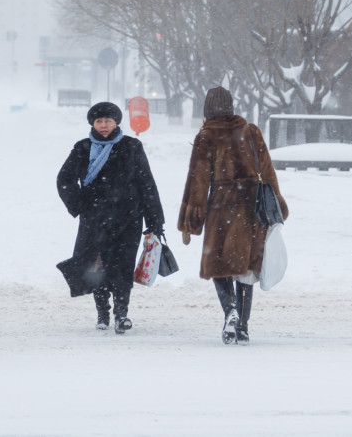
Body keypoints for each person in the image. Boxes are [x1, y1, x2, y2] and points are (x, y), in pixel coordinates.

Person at [178, 87, 288, 344]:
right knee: (246, 268)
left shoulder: (206, 136)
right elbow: (268, 173)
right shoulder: (251, 131)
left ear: (207, 109)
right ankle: (244, 327)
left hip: (221, 208)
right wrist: (277, 206)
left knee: (219, 265)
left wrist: (190, 221)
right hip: (252, 210)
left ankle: (230, 312)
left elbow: (198, 181)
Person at [56, 101, 166, 334]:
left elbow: (146, 183)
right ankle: (103, 312)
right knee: (97, 266)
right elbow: (64, 180)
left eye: (108, 121)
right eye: (99, 121)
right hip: (95, 219)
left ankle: (121, 313)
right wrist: (79, 204)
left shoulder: (132, 146)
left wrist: (155, 219)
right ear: (92, 124)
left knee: (123, 265)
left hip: (128, 219)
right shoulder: (83, 148)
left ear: (117, 122)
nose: (103, 126)